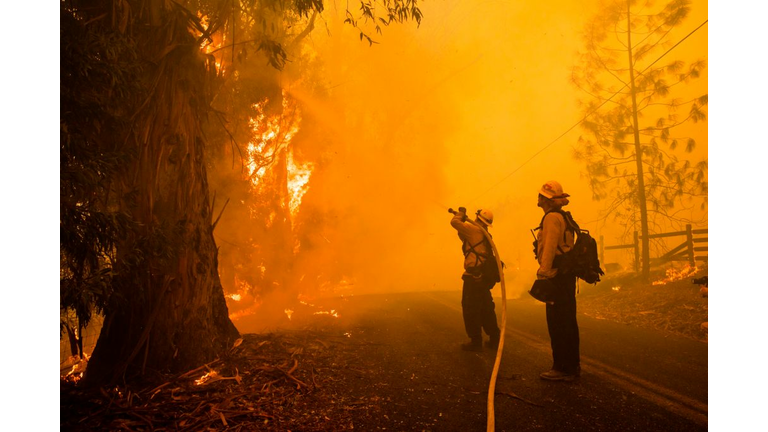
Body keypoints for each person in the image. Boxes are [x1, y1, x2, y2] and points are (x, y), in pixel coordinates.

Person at [535, 180, 580, 381]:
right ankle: (571, 367)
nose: (538, 198)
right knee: (567, 321)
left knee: (558, 323)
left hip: (556, 276)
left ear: (547, 199)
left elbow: (550, 247)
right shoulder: (562, 216)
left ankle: (562, 368)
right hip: (565, 275)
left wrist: (543, 273)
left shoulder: (551, 218)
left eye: (541, 195)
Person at [451, 207, 501, 352]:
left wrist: (460, 214)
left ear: (478, 218)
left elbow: (454, 223)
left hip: (473, 277)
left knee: (470, 308)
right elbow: (462, 234)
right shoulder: (484, 233)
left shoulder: (474, 230)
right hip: (482, 277)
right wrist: (463, 219)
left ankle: (475, 341)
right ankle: (494, 338)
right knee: (486, 308)